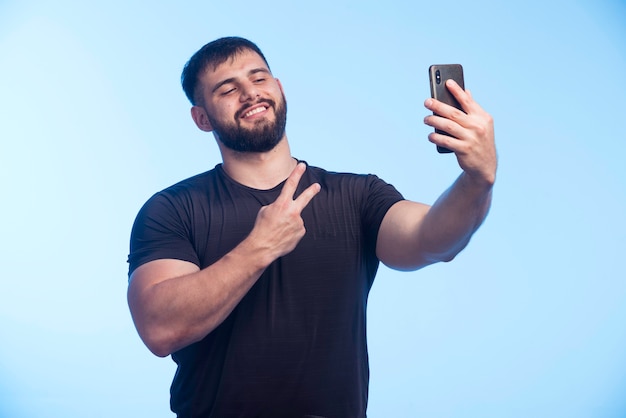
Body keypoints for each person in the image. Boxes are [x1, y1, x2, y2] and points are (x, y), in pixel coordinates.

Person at [127, 36, 496, 418]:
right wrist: (260, 247)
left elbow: (433, 241)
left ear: (279, 88)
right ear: (202, 117)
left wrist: (477, 180)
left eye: (259, 79)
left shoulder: (356, 195)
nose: (250, 94)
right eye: (227, 89)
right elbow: (160, 328)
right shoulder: (172, 209)